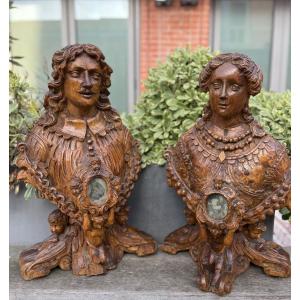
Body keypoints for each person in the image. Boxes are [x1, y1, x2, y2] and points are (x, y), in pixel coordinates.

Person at [16, 44, 156, 279]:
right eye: (77, 73)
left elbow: (130, 165)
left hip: (111, 221)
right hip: (68, 226)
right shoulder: (42, 138)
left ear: (103, 82)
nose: (87, 82)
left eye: (94, 75)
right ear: (61, 80)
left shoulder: (118, 132)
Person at [161, 53, 290, 295]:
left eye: (234, 86)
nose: (222, 94)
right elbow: (179, 176)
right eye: (216, 85)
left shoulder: (270, 152)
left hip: (245, 235)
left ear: (248, 91)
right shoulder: (189, 142)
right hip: (200, 230)